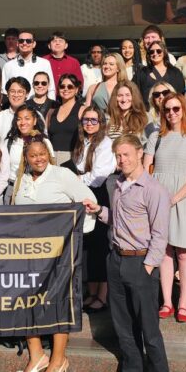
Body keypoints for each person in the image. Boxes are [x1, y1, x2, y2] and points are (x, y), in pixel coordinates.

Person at [83, 134, 172, 372]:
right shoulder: (117, 185)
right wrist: (99, 211)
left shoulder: (154, 190)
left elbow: (160, 233)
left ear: (139, 153)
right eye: (118, 156)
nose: (122, 160)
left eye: (126, 154)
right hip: (117, 259)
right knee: (122, 323)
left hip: (141, 262)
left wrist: (148, 265)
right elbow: (120, 220)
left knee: (148, 328)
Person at [10, 134, 96, 372]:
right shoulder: (21, 180)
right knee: (26, 302)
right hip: (26, 253)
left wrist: (76, 233)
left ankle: (59, 360)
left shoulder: (62, 175)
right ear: (26, 158)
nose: (38, 159)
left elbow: (89, 202)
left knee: (58, 303)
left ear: (49, 154)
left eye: (42, 154)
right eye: (33, 155)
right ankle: (37, 356)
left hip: (58, 254)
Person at [143, 93, 186, 323]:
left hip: (183, 198)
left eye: (176, 109)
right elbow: (145, 168)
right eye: (167, 109)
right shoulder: (155, 137)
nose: (172, 113)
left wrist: (174, 197)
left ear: (184, 110)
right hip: (158, 200)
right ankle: (167, 301)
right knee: (164, 250)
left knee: (184, 251)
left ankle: (184, 303)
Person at [72, 106, 115, 312]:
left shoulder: (106, 144)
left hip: (97, 194)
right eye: (86, 120)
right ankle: (91, 292)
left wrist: (77, 179)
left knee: (99, 244)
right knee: (87, 243)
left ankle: (103, 295)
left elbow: (98, 176)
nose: (89, 124)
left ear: (101, 123)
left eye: (94, 120)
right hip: (83, 192)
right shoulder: (82, 142)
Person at [3, 103, 54, 204]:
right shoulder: (10, 142)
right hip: (12, 189)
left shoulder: (44, 141)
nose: (22, 122)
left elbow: (51, 167)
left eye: (27, 118)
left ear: (34, 121)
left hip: (36, 190)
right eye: (19, 119)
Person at [1, 30, 55, 100]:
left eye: (28, 41)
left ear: (34, 44)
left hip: (39, 108)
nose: (24, 43)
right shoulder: (8, 66)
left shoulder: (44, 63)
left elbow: (51, 89)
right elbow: (4, 91)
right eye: (21, 41)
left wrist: (51, 108)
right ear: (17, 43)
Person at [46, 74, 86, 164]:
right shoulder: (51, 112)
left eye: (70, 86)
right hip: (51, 159)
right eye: (62, 86)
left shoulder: (82, 110)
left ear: (76, 90)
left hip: (72, 158)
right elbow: (46, 137)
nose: (66, 89)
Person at [134, 40, 185, 109]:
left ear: (164, 52)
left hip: (170, 111)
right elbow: (135, 94)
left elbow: (180, 94)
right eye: (151, 52)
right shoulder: (142, 72)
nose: (155, 54)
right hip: (148, 112)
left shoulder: (175, 72)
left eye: (158, 51)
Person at [41, 31, 83, 96]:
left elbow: (79, 83)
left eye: (60, 41)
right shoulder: (42, 61)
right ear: (49, 46)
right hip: (47, 98)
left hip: (68, 98)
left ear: (66, 45)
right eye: (54, 41)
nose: (57, 43)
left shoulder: (74, 62)